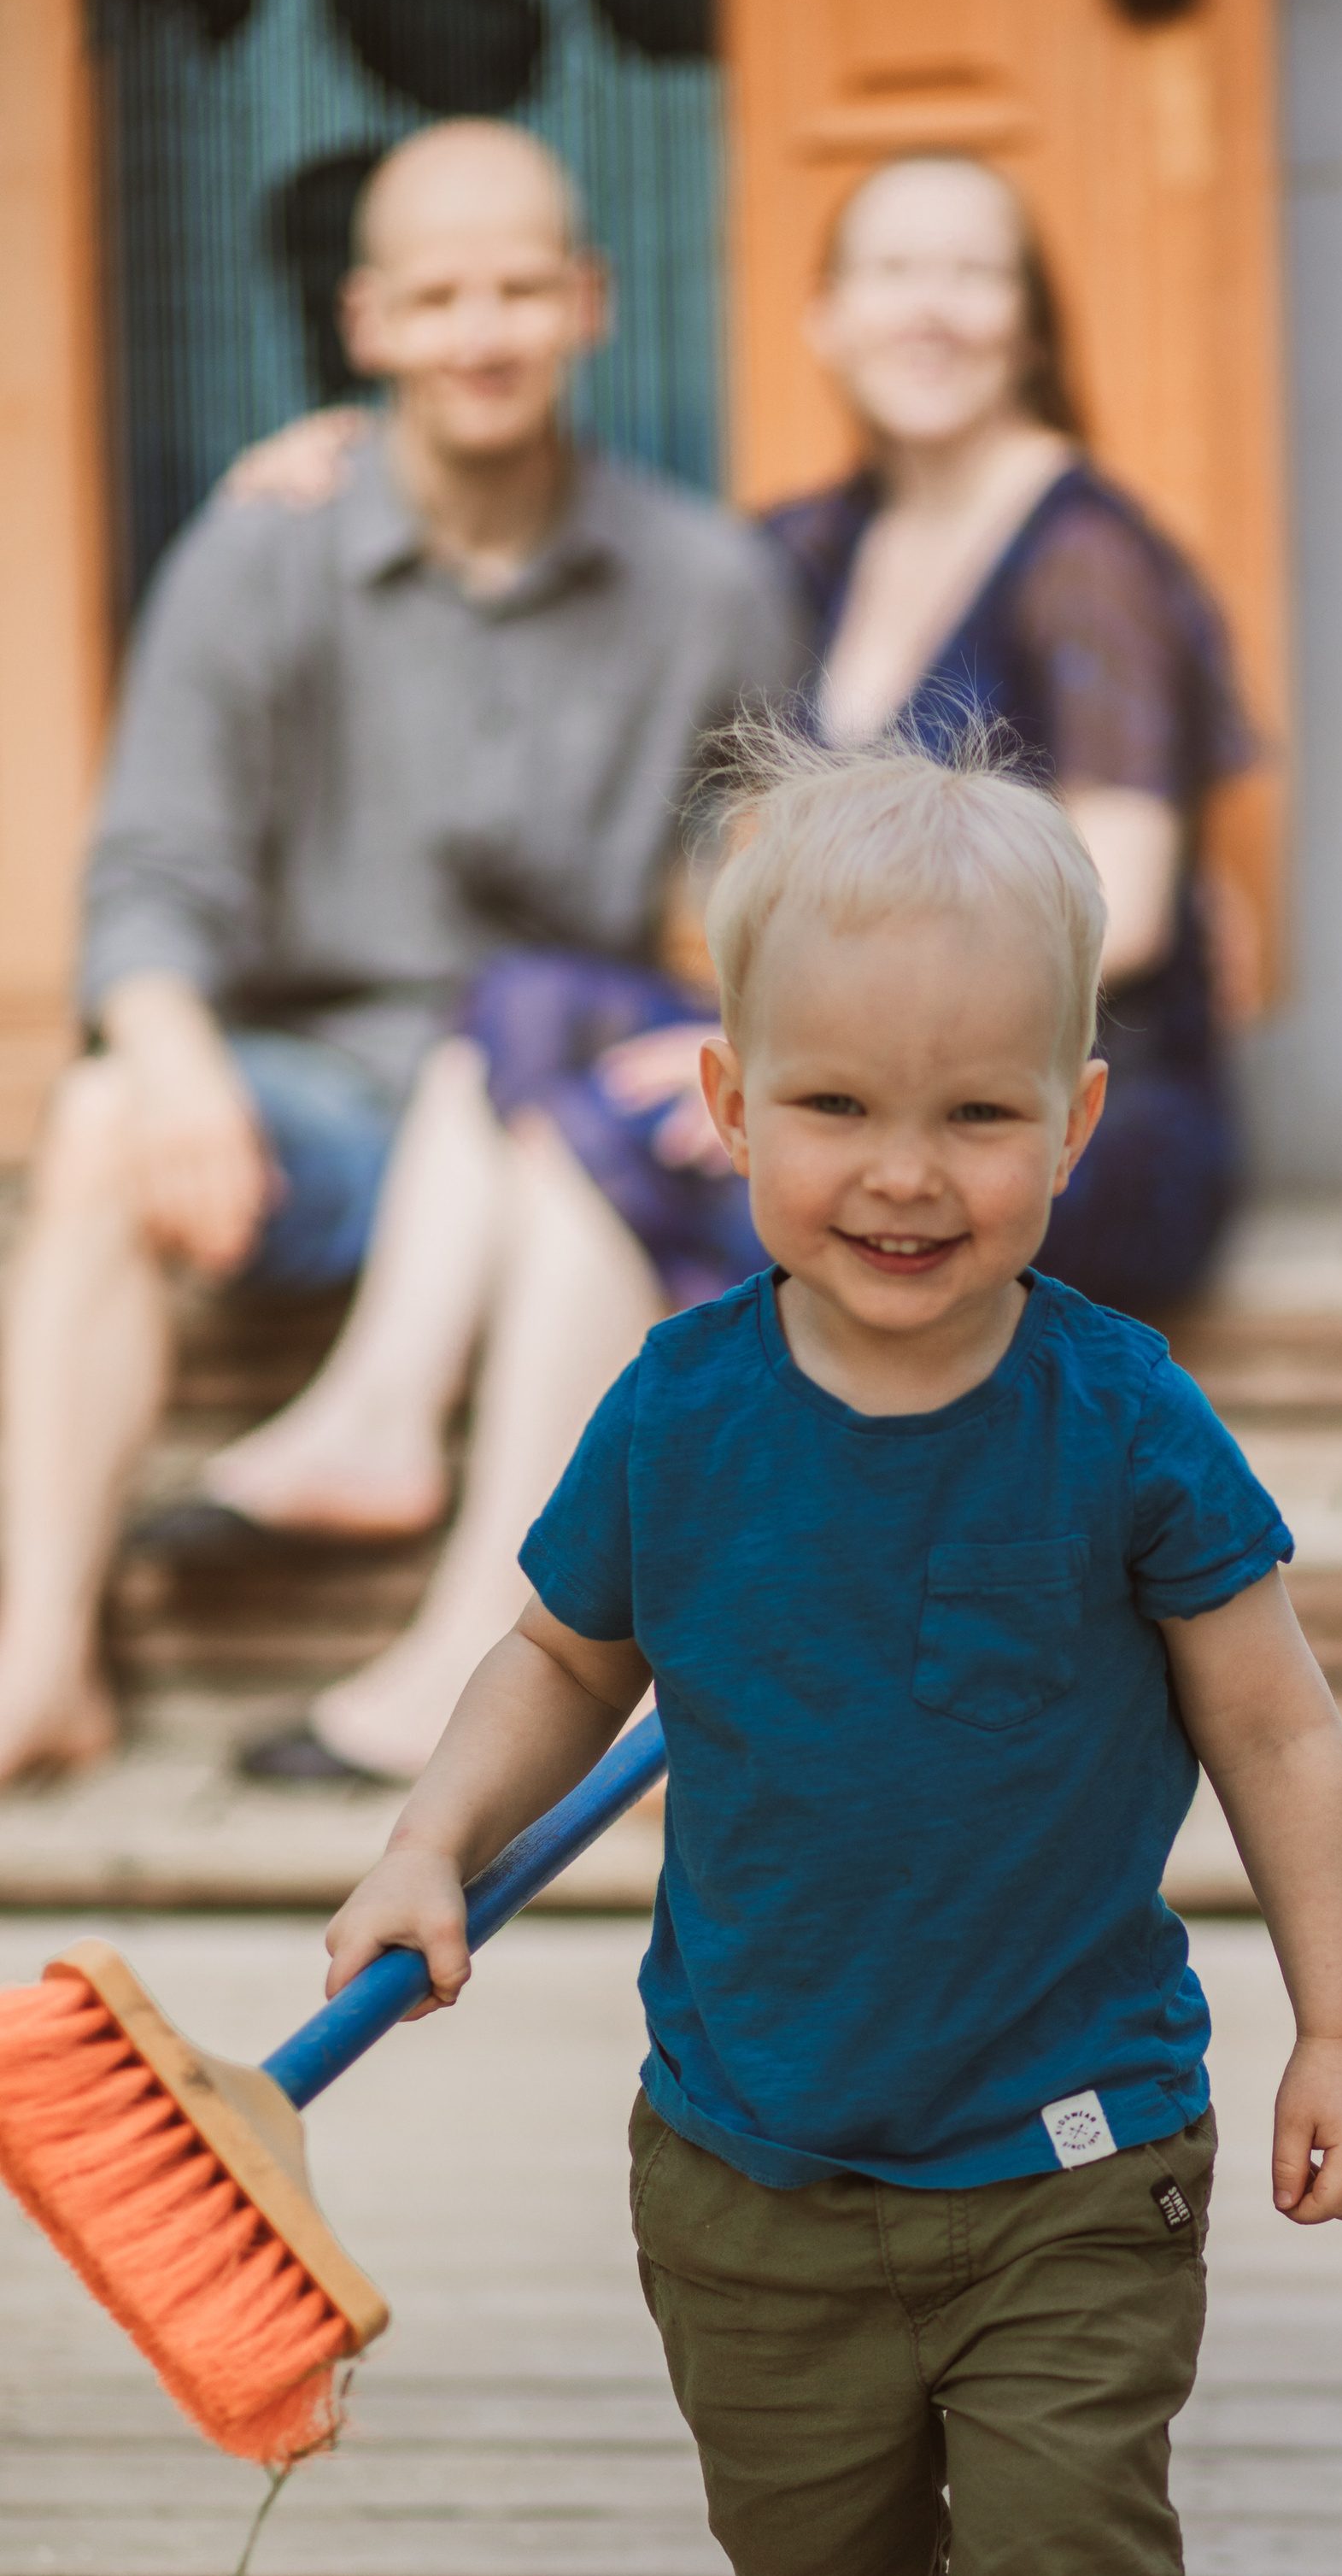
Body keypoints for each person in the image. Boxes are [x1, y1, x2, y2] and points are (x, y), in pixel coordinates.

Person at [324, 721, 1342, 2576]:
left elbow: (1284, 1732)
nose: (904, 1176)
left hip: (1069, 2137)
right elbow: (556, 1662)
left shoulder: (1123, 1425)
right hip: (750, 2133)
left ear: (1081, 1121)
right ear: (722, 1099)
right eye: (834, 1110)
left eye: (977, 1118)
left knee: (1072, 2540)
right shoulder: (683, 1414)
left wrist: (1341, 2021)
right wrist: (428, 1835)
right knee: (811, 2546)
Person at [188, 145, 1253, 1786]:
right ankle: (379, 1415)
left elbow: (1133, 912)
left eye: (975, 272)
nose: (933, 309)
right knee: (528, 1005)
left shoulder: (1085, 554)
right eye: (892, 271)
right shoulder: (818, 546)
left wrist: (836, 1079)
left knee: (594, 1150)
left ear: (1033, 322)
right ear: (821, 320)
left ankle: (472, 1662)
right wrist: (343, 461)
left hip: (1048, 1110)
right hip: (878, 1064)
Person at [0, 117, 794, 1789]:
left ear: (590, 301)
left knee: (552, 1084)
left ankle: (463, 1650)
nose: (482, 331)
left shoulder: (705, 581)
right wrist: (171, 1063)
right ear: (365, 326)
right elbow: (148, 871)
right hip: (323, 1108)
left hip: (533, 1114)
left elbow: (764, 897)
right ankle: (40, 1665)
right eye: (437, 298)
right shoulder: (257, 552)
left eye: (520, 288)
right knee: (88, 1124)